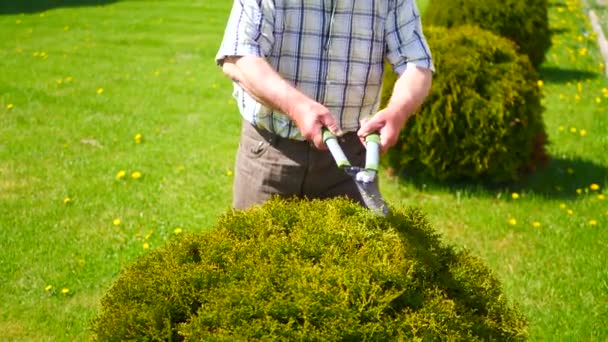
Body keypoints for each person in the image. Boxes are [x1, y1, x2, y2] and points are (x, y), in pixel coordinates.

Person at [216, 0, 434, 210]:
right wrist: (297, 106)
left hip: (352, 160)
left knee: (354, 248)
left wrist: (399, 110)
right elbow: (240, 57)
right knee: (255, 245)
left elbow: (416, 63)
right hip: (270, 155)